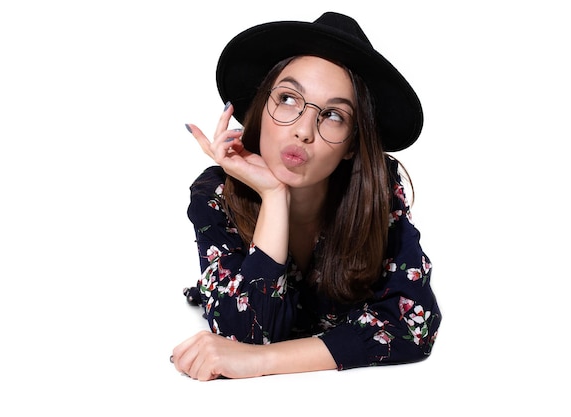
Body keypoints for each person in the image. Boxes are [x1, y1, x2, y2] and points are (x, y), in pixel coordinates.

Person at [171, 11, 441, 381]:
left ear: (351, 145)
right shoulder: (215, 193)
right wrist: (273, 195)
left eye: (332, 115)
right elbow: (243, 333)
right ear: (259, 110)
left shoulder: (378, 188)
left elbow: (413, 325)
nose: (302, 130)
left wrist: (262, 361)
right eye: (287, 99)